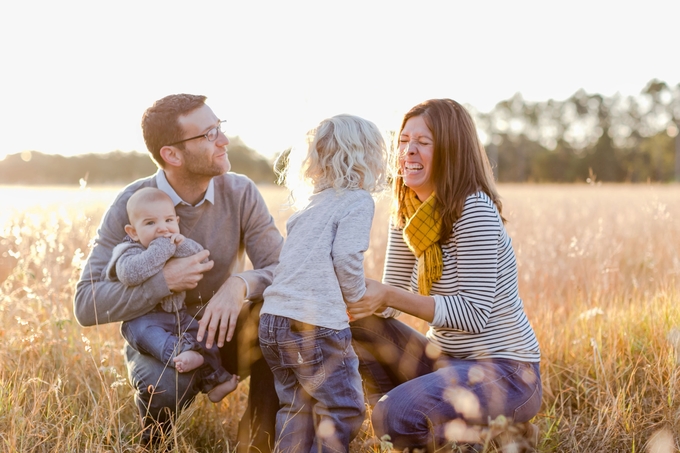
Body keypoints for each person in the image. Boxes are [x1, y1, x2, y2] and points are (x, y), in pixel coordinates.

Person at [73, 94, 284, 452]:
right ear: (172, 154)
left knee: (278, 319)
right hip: (162, 338)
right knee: (167, 385)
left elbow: (282, 269)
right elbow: (85, 303)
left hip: (225, 332)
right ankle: (153, 444)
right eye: (209, 134)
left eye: (220, 128)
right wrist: (163, 282)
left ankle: (259, 445)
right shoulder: (133, 204)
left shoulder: (241, 192)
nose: (223, 140)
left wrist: (239, 284)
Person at [347, 99, 542, 451]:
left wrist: (386, 295)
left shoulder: (474, 209)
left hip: (507, 373)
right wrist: (345, 290)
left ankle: (454, 430)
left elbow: (472, 314)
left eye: (423, 142)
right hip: (447, 363)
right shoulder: (407, 211)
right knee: (360, 327)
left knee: (395, 414)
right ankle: (402, 431)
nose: (408, 151)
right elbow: (386, 306)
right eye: (404, 141)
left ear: (451, 150)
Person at [258, 114, 387, 452]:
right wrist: (356, 297)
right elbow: (345, 257)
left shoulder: (308, 206)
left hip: (273, 320)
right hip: (314, 324)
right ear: (368, 156)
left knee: (295, 409)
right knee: (342, 408)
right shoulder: (358, 200)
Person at [105, 187, 239, 402]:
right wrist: (162, 248)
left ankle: (214, 381)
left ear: (176, 221)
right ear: (133, 232)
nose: (162, 229)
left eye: (168, 221)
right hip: (144, 319)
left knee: (205, 335)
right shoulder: (129, 251)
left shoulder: (176, 243)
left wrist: (181, 243)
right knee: (147, 336)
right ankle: (181, 353)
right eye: (150, 223)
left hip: (179, 316)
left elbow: (201, 259)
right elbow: (131, 274)